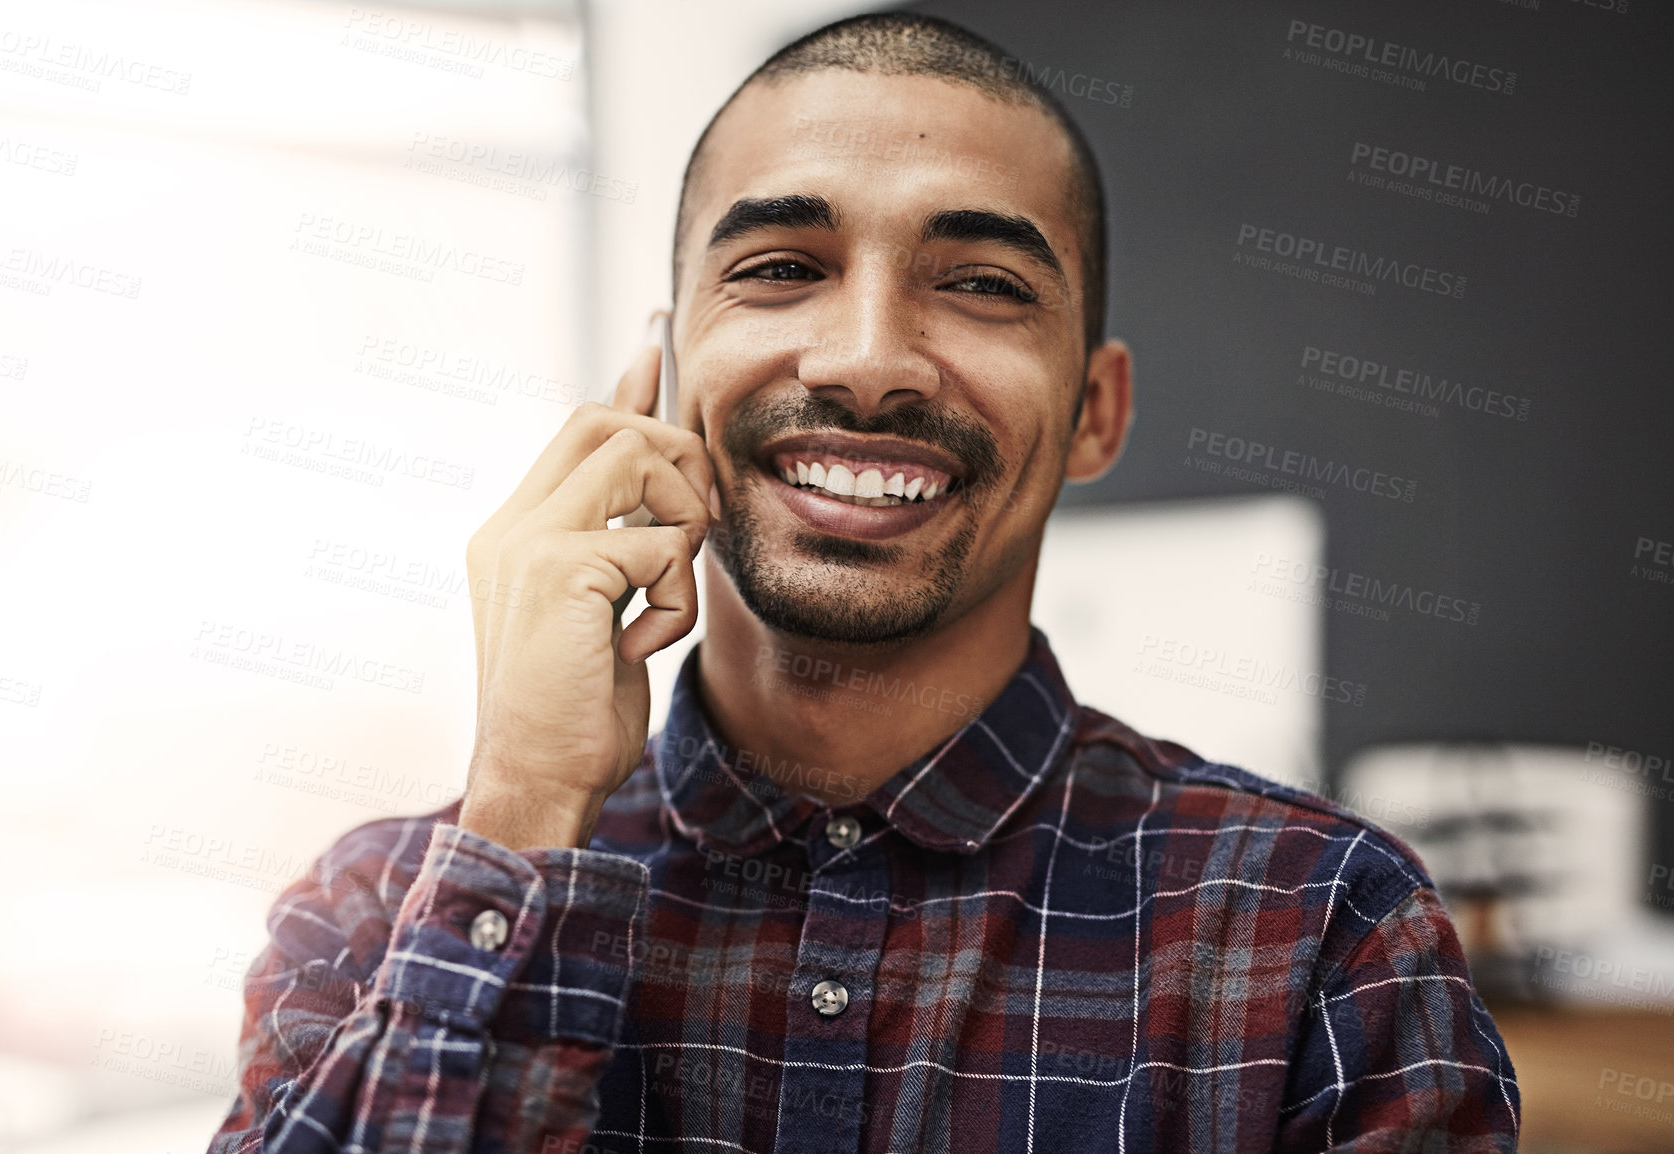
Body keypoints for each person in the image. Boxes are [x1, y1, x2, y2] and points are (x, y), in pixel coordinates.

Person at [211, 14, 1518, 1153]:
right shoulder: (382, 912)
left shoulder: (1324, 935)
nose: (868, 359)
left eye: (983, 284)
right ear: (666, 367)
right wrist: (522, 807)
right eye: (781, 267)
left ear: (1094, 414)